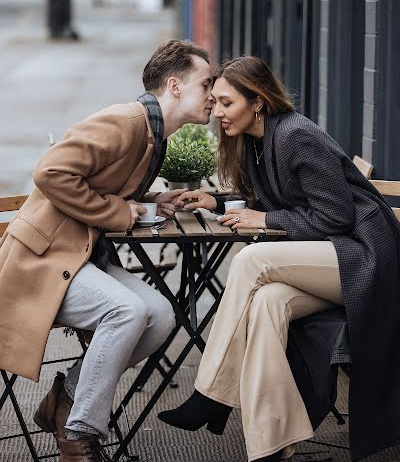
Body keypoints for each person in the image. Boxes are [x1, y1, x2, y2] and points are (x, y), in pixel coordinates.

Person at [159, 56, 400, 462]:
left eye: (226, 103)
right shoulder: (257, 141)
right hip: (334, 256)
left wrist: (265, 218)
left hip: (365, 256)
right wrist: (215, 201)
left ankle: (209, 394)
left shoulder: (295, 135)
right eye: (215, 102)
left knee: (252, 261)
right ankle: (273, 445)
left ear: (258, 102)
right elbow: (279, 200)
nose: (217, 112)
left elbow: (336, 216)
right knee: (269, 302)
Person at [0, 39, 214, 462]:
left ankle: (68, 397)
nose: (213, 95)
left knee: (160, 314)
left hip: (77, 257)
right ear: (175, 85)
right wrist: (120, 212)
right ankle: (77, 436)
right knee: (127, 311)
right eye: (207, 84)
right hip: (40, 262)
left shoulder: (154, 133)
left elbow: (101, 187)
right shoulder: (126, 121)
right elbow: (50, 171)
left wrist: (151, 202)